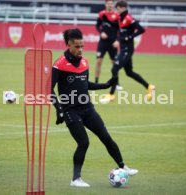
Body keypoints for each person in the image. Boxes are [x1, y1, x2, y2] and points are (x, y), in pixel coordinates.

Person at [51, 28, 138, 187]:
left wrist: (105, 85)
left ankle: (123, 166)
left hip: (87, 108)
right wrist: (59, 109)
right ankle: (75, 179)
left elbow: (84, 84)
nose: (80, 49)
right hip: (71, 111)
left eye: (82, 46)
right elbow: (48, 89)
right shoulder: (59, 65)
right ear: (69, 45)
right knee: (83, 142)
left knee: (106, 137)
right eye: (77, 46)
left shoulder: (84, 61)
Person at [100, 0, 155, 103]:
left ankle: (111, 94)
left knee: (114, 69)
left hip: (127, 49)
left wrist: (130, 37)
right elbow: (120, 31)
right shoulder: (120, 18)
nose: (116, 10)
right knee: (129, 72)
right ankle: (149, 87)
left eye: (117, 8)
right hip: (123, 48)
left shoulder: (129, 18)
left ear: (122, 8)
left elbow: (141, 29)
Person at [95, 0, 123, 91]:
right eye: (108, 3)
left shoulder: (117, 16)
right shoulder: (101, 14)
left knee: (114, 63)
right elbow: (97, 26)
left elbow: (121, 30)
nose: (110, 5)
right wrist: (101, 32)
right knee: (98, 61)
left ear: (113, 5)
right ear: (105, 4)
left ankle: (116, 83)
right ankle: (96, 82)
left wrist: (118, 41)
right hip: (103, 42)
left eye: (111, 3)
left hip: (113, 43)